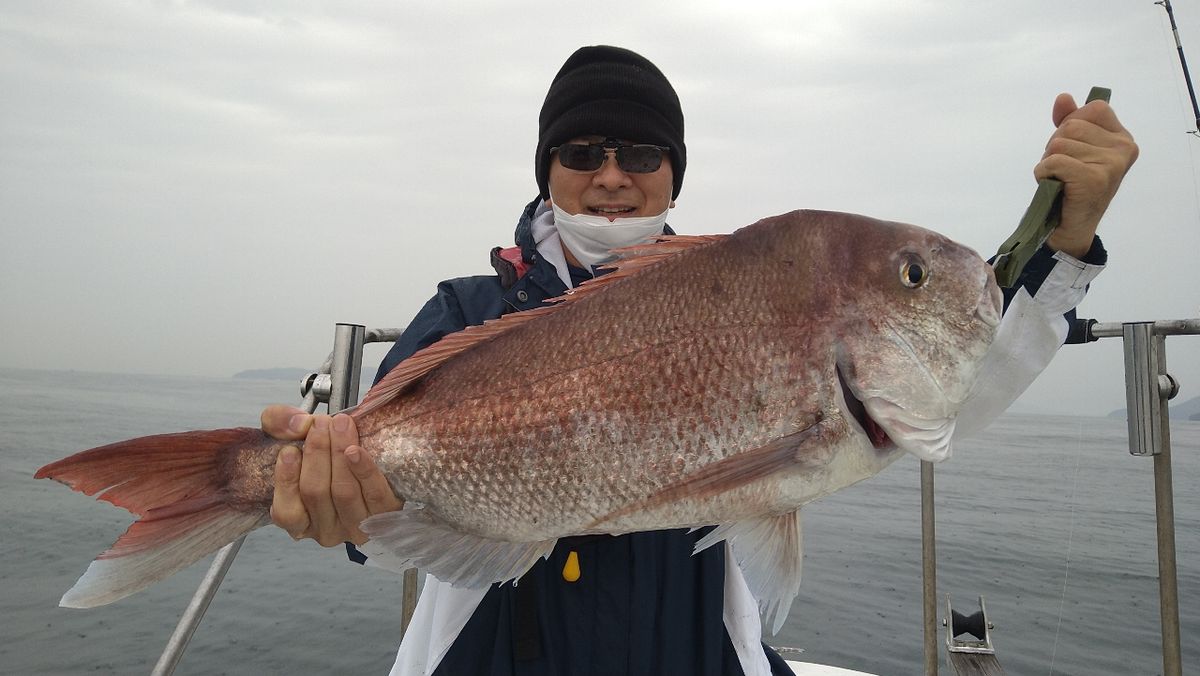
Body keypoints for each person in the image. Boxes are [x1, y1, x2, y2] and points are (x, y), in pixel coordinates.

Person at [260, 46, 1138, 676]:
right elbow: (371, 500)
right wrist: (331, 503)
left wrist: (1063, 240)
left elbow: (954, 379)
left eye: (641, 153)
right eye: (581, 153)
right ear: (547, 169)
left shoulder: (750, 300)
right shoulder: (465, 312)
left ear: (673, 172)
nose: (611, 175)